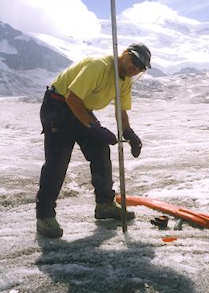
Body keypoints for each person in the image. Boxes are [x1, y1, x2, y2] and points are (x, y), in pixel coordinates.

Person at [36, 43, 151, 238]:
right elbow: (72, 98)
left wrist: (129, 132)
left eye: (141, 67)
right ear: (123, 54)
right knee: (58, 162)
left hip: (80, 109)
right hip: (58, 105)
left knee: (100, 151)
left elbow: (120, 109)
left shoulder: (124, 81)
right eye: (134, 61)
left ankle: (104, 204)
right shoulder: (99, 66)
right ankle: (44, 216)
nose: (136, 68)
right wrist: (94, 128)